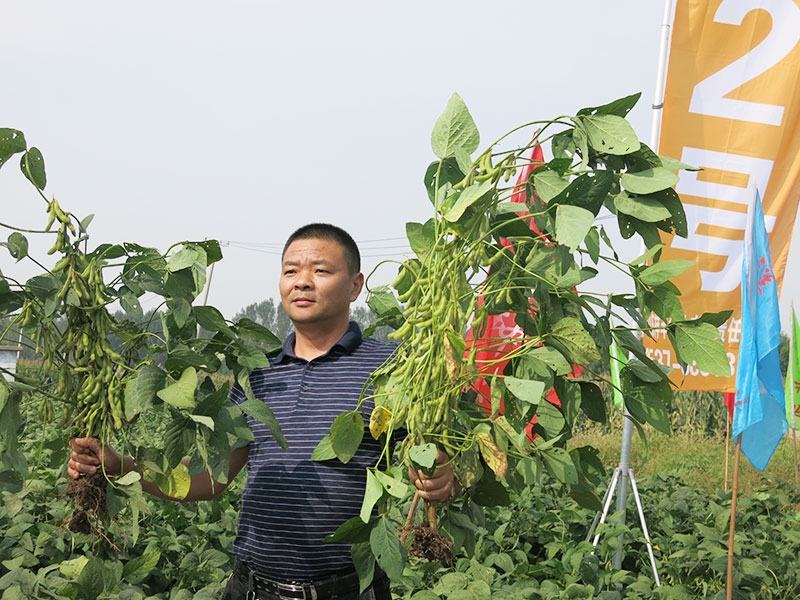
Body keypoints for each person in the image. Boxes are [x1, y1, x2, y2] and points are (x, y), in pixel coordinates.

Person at [68, 223, 456, 600]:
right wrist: (120, 465)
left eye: (320, 270)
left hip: (348, 591)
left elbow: (435, 458)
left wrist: (445, 479)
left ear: (355, 285)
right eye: (291, 271)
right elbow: (209, 479)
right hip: (250, 588)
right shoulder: (257, 374)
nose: (302, 281)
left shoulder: (392, 368)